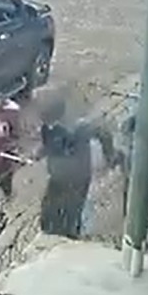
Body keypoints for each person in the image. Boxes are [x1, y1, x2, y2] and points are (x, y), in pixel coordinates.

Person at [36, 91, 120, 239]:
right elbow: (50, 145)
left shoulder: (78, 127)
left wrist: (110, 155)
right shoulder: (48, 128)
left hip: (77, 176)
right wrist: (40, 152)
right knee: (51, 207)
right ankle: (53, 229)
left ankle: (69, 234)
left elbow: (102, 132)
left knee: (72, 208)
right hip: (58, 176)